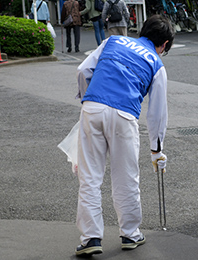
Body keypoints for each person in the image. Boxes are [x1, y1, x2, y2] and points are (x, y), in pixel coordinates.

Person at [74, 14, 175, 257]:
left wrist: (89, 100)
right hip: (124, 116)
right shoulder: (156, 63)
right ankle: (130, 234)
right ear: (164, 45)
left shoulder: (112, 41)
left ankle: (90, 239)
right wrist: (156, 150)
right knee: (126, 178)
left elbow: (83, 70)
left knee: (89, 178)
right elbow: (157, 113)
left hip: (92, 108)